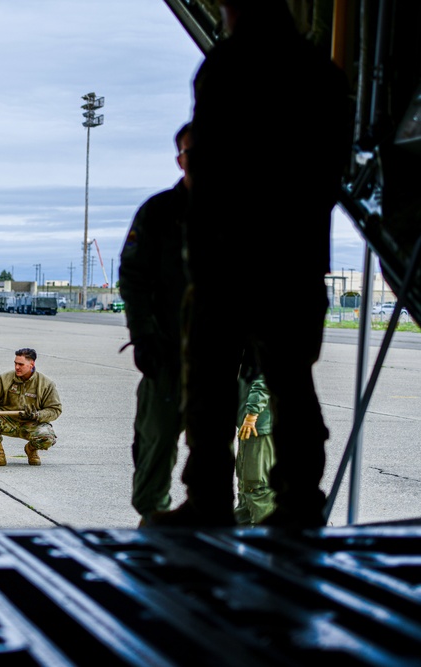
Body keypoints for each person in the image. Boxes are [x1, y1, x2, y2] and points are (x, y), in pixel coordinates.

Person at [156, 0, 351, 527]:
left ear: (235, 9)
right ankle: (299, 504)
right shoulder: (320, 72)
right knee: (293, 384)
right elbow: (335, 168)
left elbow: (214, 170)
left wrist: (206, 249)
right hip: (295, 256)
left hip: (231, 255)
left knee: (211, 389)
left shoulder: (225, 68)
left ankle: (209, 501)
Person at [119, 123, 192, 526]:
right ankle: (154, 520)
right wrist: (143, 336)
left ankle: (226, 520)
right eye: (189, 152)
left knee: (246, 452)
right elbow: (133, 278)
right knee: (155, 441)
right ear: (179, 160)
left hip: (231, 356)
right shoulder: (160, 211)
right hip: (167, 352)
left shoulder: (246, 209)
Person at [0, 348, 62, 467]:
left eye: (21, 364)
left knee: (47, 437)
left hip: (31, 422)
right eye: (15, 363)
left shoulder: (46, 384)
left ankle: (31, 450)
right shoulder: (4, 379)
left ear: (32, 364)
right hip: (7, 420)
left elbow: (55, 409)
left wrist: (37, 415)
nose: (17, 367)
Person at [234, 374, 276, 525]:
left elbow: (264, 377)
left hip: (257, 427)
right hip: (248, 425)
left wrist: (252, 413)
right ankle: (241, 534)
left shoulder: (255, 351)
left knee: (257, 488)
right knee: (246, 487)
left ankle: (265, 539)